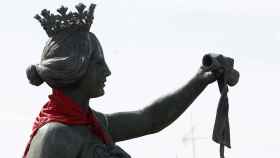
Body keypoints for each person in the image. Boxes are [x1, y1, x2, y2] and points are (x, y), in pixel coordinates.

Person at [23, 3, 224, 158]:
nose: (107, 71)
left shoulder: (93, 122)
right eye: (99, 63)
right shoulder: (54, 136)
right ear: (76, 66)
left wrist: (200, 78)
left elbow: (151, 119)